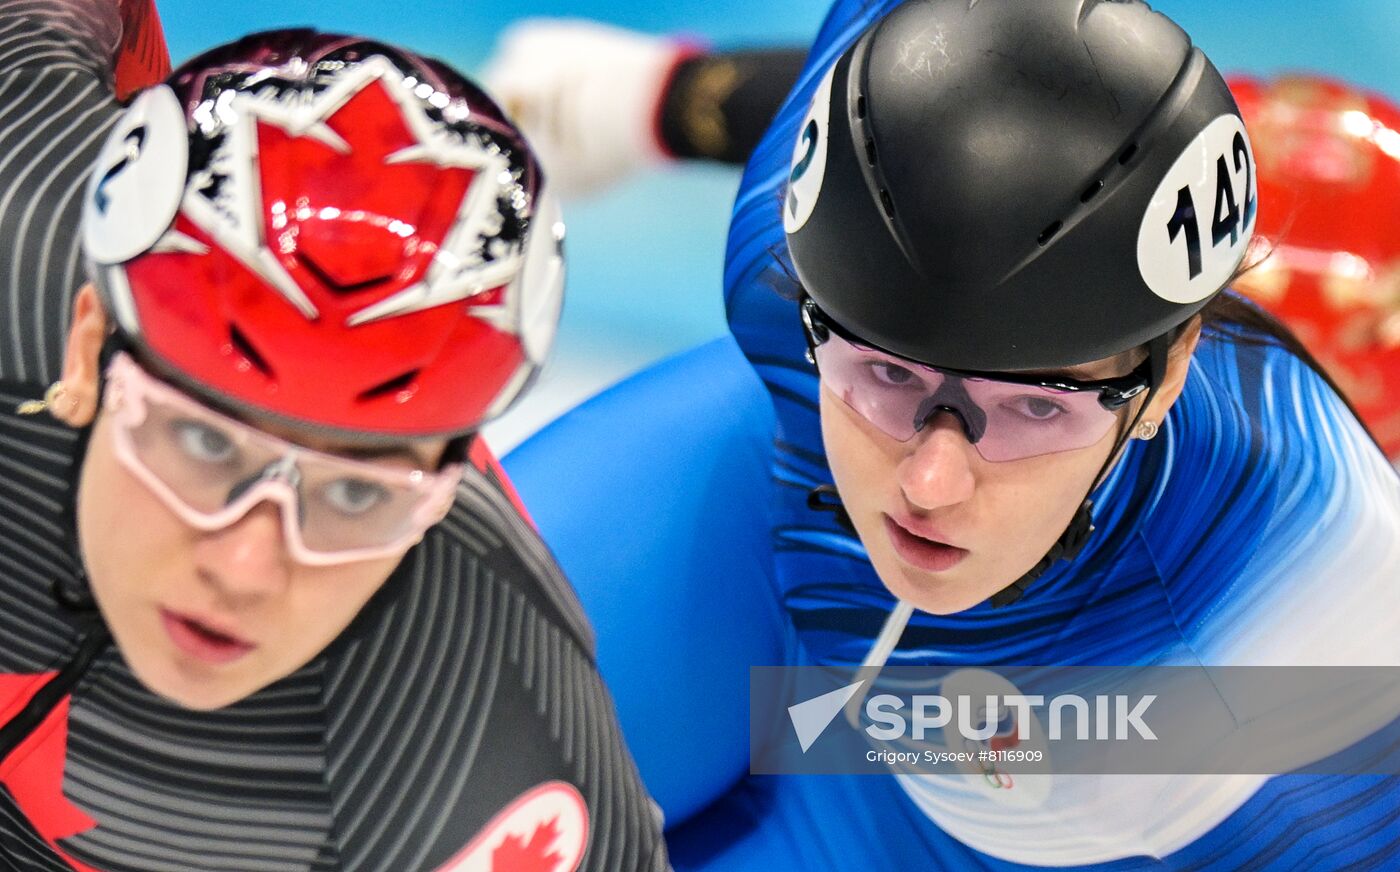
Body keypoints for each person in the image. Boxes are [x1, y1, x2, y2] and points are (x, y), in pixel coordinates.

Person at [503, 0, 1400, 868]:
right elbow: (961, 90)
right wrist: (657, 102)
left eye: (1037, 406)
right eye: (886, 372)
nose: (928, 484)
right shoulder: (781, 273)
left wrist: (661, 99)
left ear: (1165, 379)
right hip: (774, 545)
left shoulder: (1294, 620)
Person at [0, 2, 668, 869]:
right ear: (88, 351)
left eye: (357, 493)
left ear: (442, 491)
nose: (244, 568)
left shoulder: (481, 742)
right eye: (204, 444)